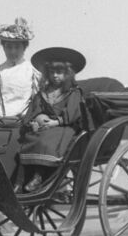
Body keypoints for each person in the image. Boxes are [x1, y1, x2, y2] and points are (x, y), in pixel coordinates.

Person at [18, 46, 88, 193]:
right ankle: (24, 178)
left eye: (60, 72)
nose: (55, 76)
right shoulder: (44, 92)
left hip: (65, 127)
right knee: (31, 137)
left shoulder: (73, 92)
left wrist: (56, 122)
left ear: (67, 74)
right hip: (45, 126)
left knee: (47, 140)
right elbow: (35, 109)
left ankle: (40, 176)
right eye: (52, 72)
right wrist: (37, 118)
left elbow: (74, 114)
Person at [0, 17, 42, 126]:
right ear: (3, 47)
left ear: (24, 47)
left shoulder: (33, 71)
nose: (13, 51)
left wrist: (27, 119)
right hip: (1, 126)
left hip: (25, 124)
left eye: (17, 47)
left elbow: (37, 102)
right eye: (9, 47)